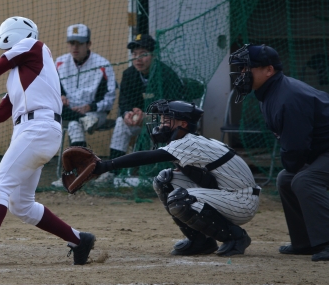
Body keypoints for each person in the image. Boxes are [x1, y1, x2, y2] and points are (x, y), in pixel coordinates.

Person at [0, 16, 95, 269]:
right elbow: (2, 113)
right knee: (21, 205)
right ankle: (79, 240)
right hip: (32, 131)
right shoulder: (20, 74)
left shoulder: (33, 46)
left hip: (38, 128)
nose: (3, 48)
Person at [91, 99, 258, 256]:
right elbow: (209, 180)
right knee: (165, 180)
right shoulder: (188, 141)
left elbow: (145, 157)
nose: (161, 125)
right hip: (228, 195)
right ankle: (200, 241)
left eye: (166, 121)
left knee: (181, 199)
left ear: (183, 124)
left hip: (241, 201)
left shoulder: (187, 142)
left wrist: (105, 166)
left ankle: (236, 237)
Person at [229, 44, 329, 261]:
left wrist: (295, 165)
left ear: (269, 70)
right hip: (325, 150)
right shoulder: (271, 92)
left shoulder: (288, 96)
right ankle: (306, 242)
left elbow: (296, 148)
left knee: (304, 180)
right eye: (241, 69)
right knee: (286, 179)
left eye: (247, 68)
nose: (242, 74)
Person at [109, 33, 185, 159]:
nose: (138, 59)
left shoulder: (166, 74)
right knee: (120, 122)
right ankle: (114, 167)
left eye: (143, 54)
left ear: (154, 55)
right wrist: (127, 114)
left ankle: (158, 165)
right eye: (134, 54)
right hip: (138, 120)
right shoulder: (128, 74)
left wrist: (149, 116)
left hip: (163, 122)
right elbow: (124, 101)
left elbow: (175, 108)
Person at [54, 24, 117, 147]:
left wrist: (90, 107)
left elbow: (109, 99)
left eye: (80, 43)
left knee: (73, 124)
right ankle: (82, 160)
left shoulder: (103, 64)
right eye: (72, 43)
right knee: (60, 114)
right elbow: (51, 88)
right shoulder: (60, 62)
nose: (75, 47)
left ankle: (79, 160)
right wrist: (60, 96)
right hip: (68, 110)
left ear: (89, 44)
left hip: (95, 113)